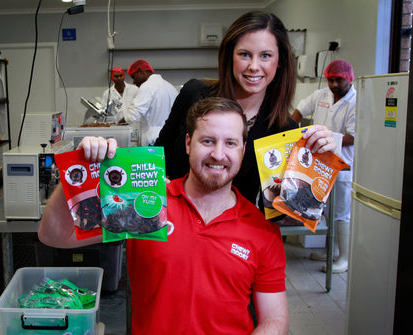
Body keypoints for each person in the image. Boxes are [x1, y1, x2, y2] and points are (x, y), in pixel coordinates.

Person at [39, 97, 290, 335]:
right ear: (188, 144)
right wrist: (80, 167)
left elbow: (275, 321)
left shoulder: (261, 230)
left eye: (230, 143)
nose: (218, 153)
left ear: (243, 150)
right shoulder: (148, 204)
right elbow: (53, 235)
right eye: (207, 141)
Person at [155, 11, 337, 207]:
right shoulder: (195, 94)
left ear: (280, 61)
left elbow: (285, 209)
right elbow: (156, 157)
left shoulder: (283, 129)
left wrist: (319, 158)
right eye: (244, 54)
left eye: (265, 56)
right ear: (230, 56)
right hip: (175, 222)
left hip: (235, 232)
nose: (253, 66)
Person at [291, 59, 356, 273]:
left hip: (342, 165)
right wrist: (290, 129)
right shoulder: (321, 96)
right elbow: (300, 110)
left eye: (339, 80)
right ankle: (330, 251)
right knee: (325, 210)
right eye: (331, 80)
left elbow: (352, 136)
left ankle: (344, 258)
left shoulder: (356, 102)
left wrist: (324, 139)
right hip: (319, 165)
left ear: (349, 79)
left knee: (341, 213)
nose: (334, 84)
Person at [116, 59, 178, 146]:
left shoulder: (147, 86)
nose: (134, 82)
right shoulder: (170, 86)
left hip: (153, 140)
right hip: (171, 138)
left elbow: (132, 116)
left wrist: (117, 125)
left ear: (140, 72)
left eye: (134, 77)